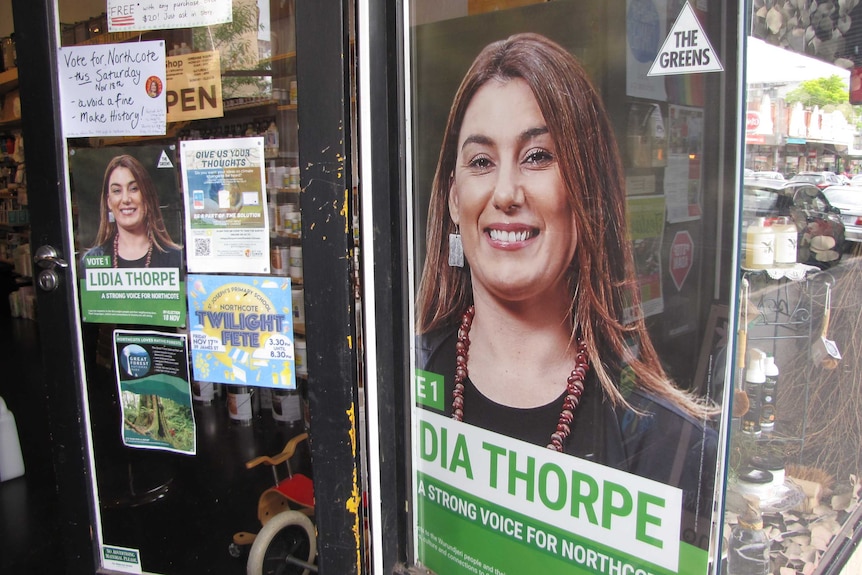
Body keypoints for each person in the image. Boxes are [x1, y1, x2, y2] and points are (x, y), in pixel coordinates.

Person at [415, 33, 717, 548]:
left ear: (586, 191)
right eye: (482, 162)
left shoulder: (664, 441)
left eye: (537, 156)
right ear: (451, 199)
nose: (506, 193)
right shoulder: (400, 378)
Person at [83, 154, 183, 269]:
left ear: (146, 196)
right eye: (116, 191)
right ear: (109, 202)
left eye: (134, 188)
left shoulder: (174, 258)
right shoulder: (92, 260)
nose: (126, 199)